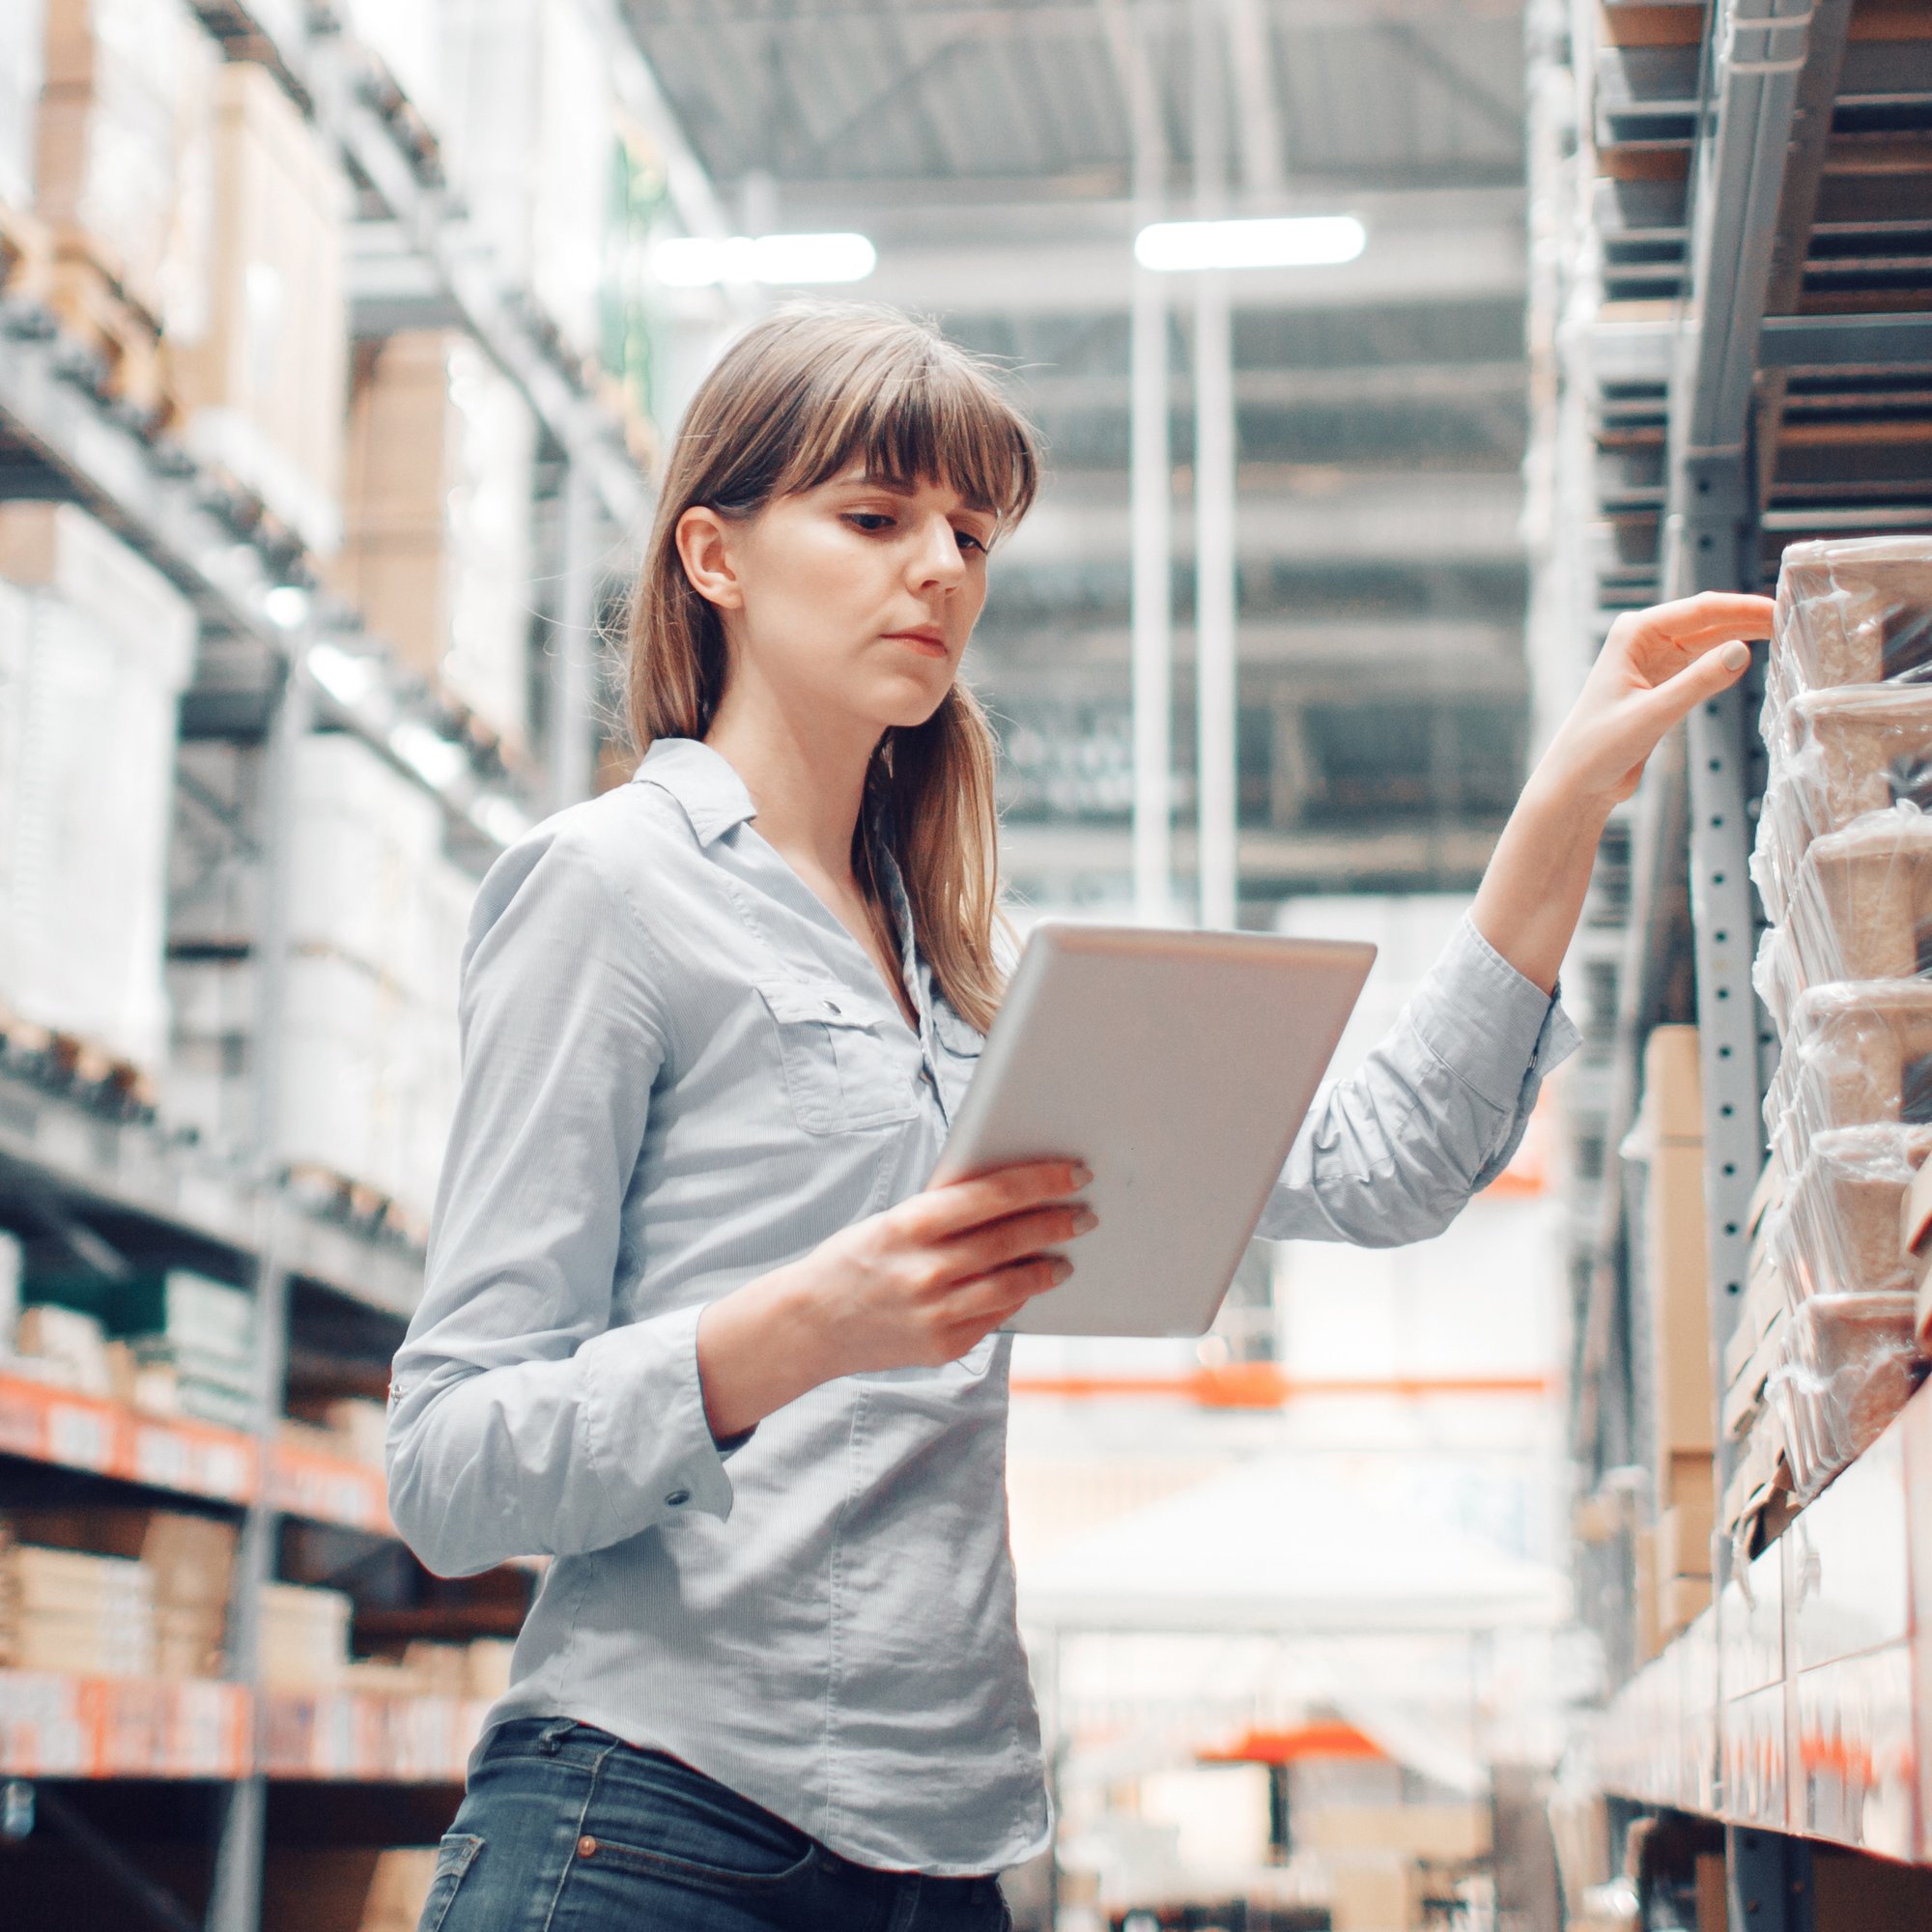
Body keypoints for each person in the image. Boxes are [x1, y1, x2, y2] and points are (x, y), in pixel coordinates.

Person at [385, 301, 1773, 1931]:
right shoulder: (608, 892)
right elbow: (447, 1463)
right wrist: (797, 1330)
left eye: (970, 533)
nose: (942, 571)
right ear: (716, 555)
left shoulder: (971, 985)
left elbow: (1387, 1168)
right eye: (876, 517)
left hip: (944, 1850)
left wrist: (1562, 806)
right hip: (654, 1829)